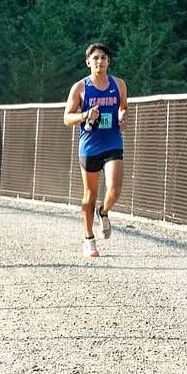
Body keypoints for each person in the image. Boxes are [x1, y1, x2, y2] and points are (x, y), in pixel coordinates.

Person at [63, 42, 128, 258]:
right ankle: (89, 239)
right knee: (90, 195)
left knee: (115, 188)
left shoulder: (118, 85)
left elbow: (124, 107)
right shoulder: (80, 88)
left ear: (109, 62)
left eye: (103, 58)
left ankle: (104, 211)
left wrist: (122, 115)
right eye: (96, 58)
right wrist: (84, 115)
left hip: (112, 142)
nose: (100, 61)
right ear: (88, 62)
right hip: (90, 144)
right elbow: (66, 118)